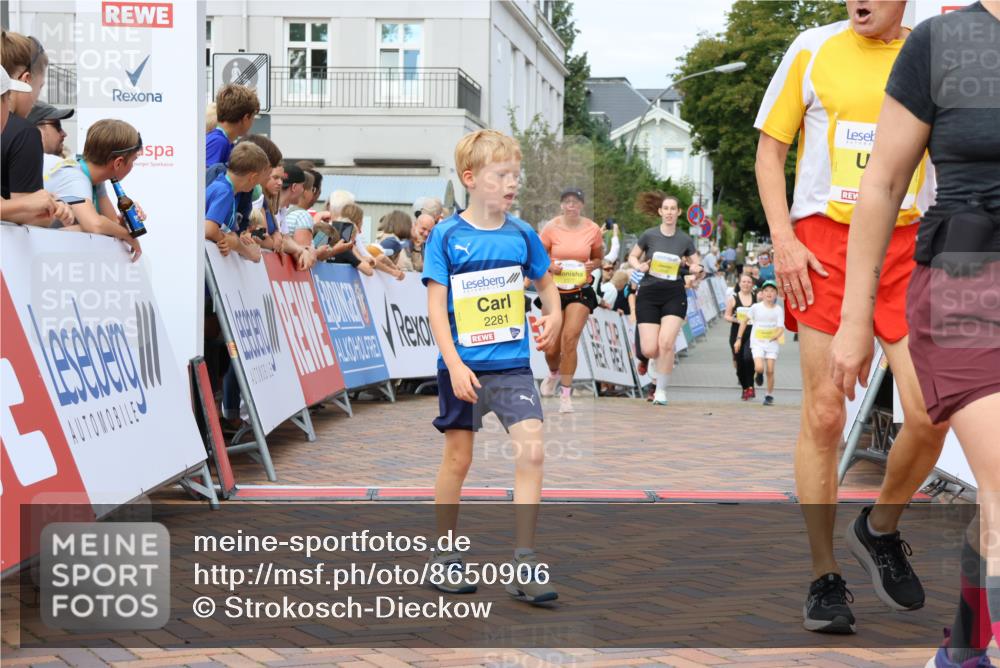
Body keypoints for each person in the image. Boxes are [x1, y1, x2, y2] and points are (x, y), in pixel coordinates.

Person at [755, 0, 949, 635]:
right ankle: (823, 575)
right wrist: (783, 238)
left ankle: (880, 525)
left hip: (907, 245)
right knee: (824, 411)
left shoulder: (931, 49)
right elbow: (770, 149)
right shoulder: (813, 47)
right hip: (824, 245)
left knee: (928, 413)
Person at [828, 1, 1000, 663]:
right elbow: (883, 183)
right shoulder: (943, 42)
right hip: (966, 289)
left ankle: (961, 653)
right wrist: (853, 318)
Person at [422, 129, 560, 604]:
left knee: (533, 451)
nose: (511, 183)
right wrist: (455, 364)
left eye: (515, 176)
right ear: (471, 178)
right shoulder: (446, 236)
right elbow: (436, 308)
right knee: (458, 460)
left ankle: (525, 562)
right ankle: (444, 556)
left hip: (511, 368)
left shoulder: (522, 234)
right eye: (501, 175)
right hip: (461, 368)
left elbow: (547, 286)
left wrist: (554, 320)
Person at [628, 191, 701, 406]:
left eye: (673, 209)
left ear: (678, 213)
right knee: (650, 349)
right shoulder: (649, 235)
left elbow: (698, 266)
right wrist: (638, 265)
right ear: (660, 212)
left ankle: (660, 390)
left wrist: (697, 268)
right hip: (649, 293)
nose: (669, 212)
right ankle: (650, 363)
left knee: (666, 343)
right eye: (665, 209)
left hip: (674, 294)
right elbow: (632, 256)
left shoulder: (685, 239)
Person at [535, 187, 604, 413]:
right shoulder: (551, 228)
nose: (571, 206)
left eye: (575, 202)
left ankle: (566, 395)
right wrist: (549, 265)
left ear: (582, 205)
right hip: (553, 289)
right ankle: (554, 373)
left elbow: (597, 257)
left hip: (580, 288)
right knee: (551, 347)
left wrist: (593, 265)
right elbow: (539, 255)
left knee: (569, 339)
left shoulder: (592, 229)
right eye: (567, 202)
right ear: (561, 205)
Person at [43, 119, 147, 258]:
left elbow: (111, 224)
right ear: (118, 163)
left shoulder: (91, 173)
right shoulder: (74, 176)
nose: (132, 167)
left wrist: (126, 219)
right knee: (84, 229)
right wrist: (129, 237)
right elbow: (95, 224)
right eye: (133, 160)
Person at [204, 141, 270, 262]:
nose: (259, 184)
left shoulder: (225, 188)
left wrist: (231, 239)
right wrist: (226, 239)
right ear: (253, 177)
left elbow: (227, 231)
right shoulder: (225, 191)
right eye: (259, 180)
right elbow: (209, 229)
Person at [735, 280, 784, 405]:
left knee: (771, 370)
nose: (769, 293)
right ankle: (759, 374)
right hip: (757, 342)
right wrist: (739, 339)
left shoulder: (778, 309)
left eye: (772, 291)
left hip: (772, 343)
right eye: (766, 291)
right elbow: (744, 321)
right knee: (759, 367)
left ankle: (769, 395)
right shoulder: (756, 307)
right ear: (761, 293)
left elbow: (780, 327)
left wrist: (776, 335)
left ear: (776, 294)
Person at [206, 84, 259, 167]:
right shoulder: (219, 142)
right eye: (253, 117)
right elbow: (207, 177)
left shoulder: (223, 140)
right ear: (246, 118)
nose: (253, 122)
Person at [725, 273, 757, 400]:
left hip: (752, 333)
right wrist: (737, 320)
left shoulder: (756, 297)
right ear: (739, 283)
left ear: (752, 285)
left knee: (749, 359)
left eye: (749, 282)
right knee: (739, 362)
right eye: (743, 281)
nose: (746, 284)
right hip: (736, 333)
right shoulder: (733, 298)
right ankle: (745, 387)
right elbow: (726, 316)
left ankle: (751, 386)